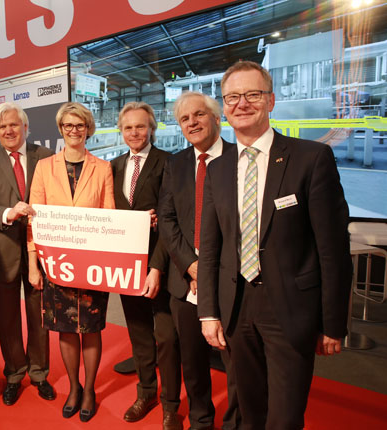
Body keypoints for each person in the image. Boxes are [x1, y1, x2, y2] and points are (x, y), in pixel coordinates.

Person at [198, 61, 351, 430]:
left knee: (284, 418)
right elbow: (211, 247)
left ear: (271, 101)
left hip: (290, 310)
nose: (242, 104)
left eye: (252, 94)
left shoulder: (310, 158)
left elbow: (332, 249)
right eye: (232, 97)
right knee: (250, 411)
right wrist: (208, 312)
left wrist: (332, 323)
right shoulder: (218, 169)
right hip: (236, 308)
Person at [28, 102, 115, 423]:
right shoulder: (44, 167)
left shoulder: (102, 168)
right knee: (65, 328)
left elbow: (109, 216)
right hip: (56, 262)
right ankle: (74, 388)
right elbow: (33, 219)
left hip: (92, 263)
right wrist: (33, 263)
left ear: (88, 129)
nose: (74, 131)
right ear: (60, 129)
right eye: (68, 125)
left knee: (91, 328)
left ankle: (90, 389)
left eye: (79, 125)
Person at [159, 92, 241, 430]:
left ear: (215, 117)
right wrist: (191, 266)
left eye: (199, 115)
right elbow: (167, 220)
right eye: (185, 119)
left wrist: (213, 272)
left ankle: (238, 421)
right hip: (186, 281)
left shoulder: (241, 158)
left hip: (234, 282)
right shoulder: (175, 164)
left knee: (238, 363)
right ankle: (201, 420)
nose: (192, 123)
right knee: (191, 362)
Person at [0, 102, 55, 406]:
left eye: (14, 124)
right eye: (2, 126)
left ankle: (39, 373)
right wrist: (8, 212)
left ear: (25, 126)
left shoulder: (45, 157)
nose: (9, 130)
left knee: (39, 317)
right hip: (1, 252)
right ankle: (14, 374)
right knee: (7, 319)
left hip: (42, 253)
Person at [110, 102, 182, 430]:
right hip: (128, 263)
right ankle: (146, 392)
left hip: (163, 264)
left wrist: (157, 263)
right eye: (128, 128)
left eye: (141, 127)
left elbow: (174, 219)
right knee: (139, 333)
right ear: (121, 131)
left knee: (166, 337)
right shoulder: (112, 166)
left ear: (151, 128)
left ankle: (170, 404)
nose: (135, 133)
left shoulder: (170, 163)